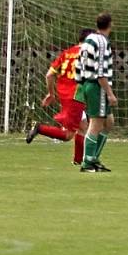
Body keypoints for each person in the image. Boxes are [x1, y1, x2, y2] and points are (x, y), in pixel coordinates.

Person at [25, 28, 94, 165]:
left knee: (83, 126)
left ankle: (78, 160)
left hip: (65, 94)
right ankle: (40, 128)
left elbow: (49, 75)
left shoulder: (67, 53)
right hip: (77, 95)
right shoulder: (87, 54)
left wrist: (51, 93)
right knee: (69, 134)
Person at [74, 13, 116, 173]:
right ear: (110, 25)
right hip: (97, 85)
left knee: (109, 122)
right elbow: (100, 71)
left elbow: (79, 64)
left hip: (88, 84)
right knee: (96, 123)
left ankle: (94, 158)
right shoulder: (102, 42)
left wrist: (80, 83)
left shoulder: (88, 40)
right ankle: (87, 162)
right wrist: (110, 93)